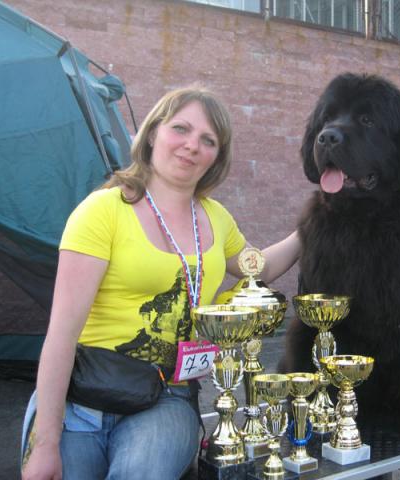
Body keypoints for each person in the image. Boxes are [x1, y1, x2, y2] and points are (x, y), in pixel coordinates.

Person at [21, 87, 300, 480]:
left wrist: (313, 224)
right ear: (152, 133)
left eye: (208, 140)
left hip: (166, 399)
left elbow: (261, 268)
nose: (191, 146)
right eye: (180, 129)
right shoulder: (101, 212)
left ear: (217, 155)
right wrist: (45, 443)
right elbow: (61, 335)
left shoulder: (217, 218)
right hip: (81, 397)